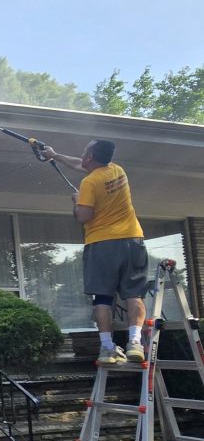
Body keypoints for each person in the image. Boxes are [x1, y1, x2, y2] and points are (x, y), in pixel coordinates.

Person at [42, 140, 148, 364]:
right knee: (134, 294)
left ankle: (108, 348)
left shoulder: (89, 182)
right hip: (132, 240)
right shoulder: (117, 170)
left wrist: (76, 202)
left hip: (101, 243)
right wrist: (55, 155)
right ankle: (135, 343)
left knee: (102, 298)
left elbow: (83, 217)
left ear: (90, 156)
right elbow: (80, 165)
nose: (82, 154)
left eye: (84, 151)